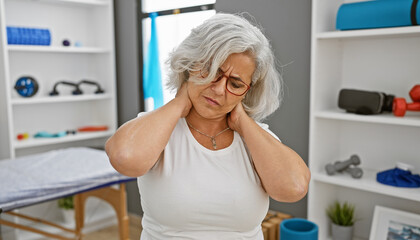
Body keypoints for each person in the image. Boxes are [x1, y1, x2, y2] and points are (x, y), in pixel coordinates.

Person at [106, 13, 310, 240]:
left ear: (248, 92)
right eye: (212, 71)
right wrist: (179, 103)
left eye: (235, 83)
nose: (220, 89)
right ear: (190, 64)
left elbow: (294, 188)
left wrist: (242, 121)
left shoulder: (257, 139)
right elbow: (124, 158)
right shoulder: (158, 129)